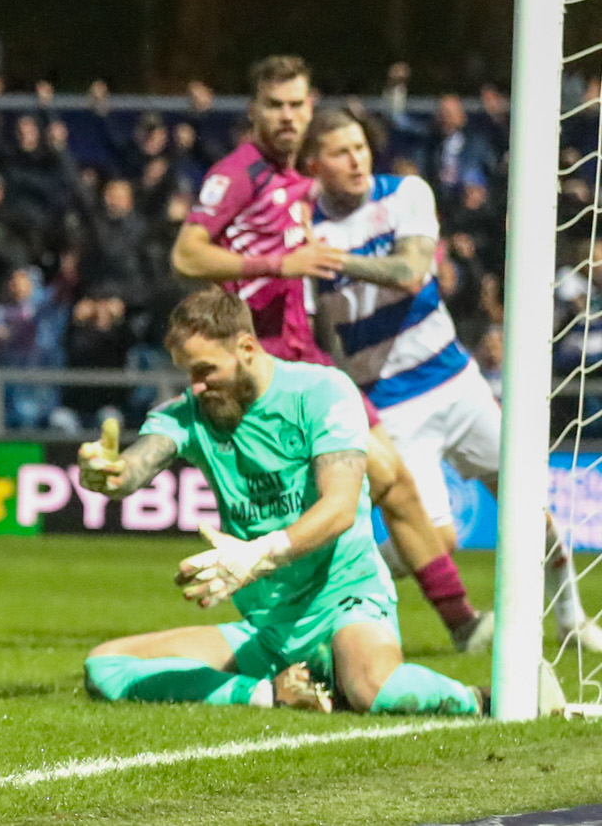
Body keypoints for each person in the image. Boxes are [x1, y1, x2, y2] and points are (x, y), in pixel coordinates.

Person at [170, 55, 485, 651]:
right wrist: (277, 264)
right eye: (274, 106)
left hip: (311, 360)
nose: (287, 116)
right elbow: (187, 255)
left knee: (398, 486)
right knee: (374, 484)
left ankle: (463, 623)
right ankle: (438, 625)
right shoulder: (239, 174)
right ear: (254, 111)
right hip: (264, 367)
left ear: (310, 106)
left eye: (297, 104)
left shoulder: (304, 184)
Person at [77, 290, 485, 718]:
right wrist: (112, 473)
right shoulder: (192, 414)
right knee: (106, 666)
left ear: (246, 347)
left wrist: (257, 556)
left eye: (205, 369)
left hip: (347, 603)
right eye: (187, 372)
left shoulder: (320, 391)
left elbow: (340, 508)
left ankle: (483, 698)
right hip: (268, 630)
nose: (195, 386)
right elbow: (138, 464)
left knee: (372, 689)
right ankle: (274, 693)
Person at [302, 107, 601, 651]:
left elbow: (411, 270)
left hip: (458, 383)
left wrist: (331, 260)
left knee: (530, 504)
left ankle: (571, 621)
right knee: (438, 538)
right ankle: (328, 593)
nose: (357, 160)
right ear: (314, 164)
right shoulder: (304, 230)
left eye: (361, 147)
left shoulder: (404, 194)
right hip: (392, 405)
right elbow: (317, 328)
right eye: (342, 153)